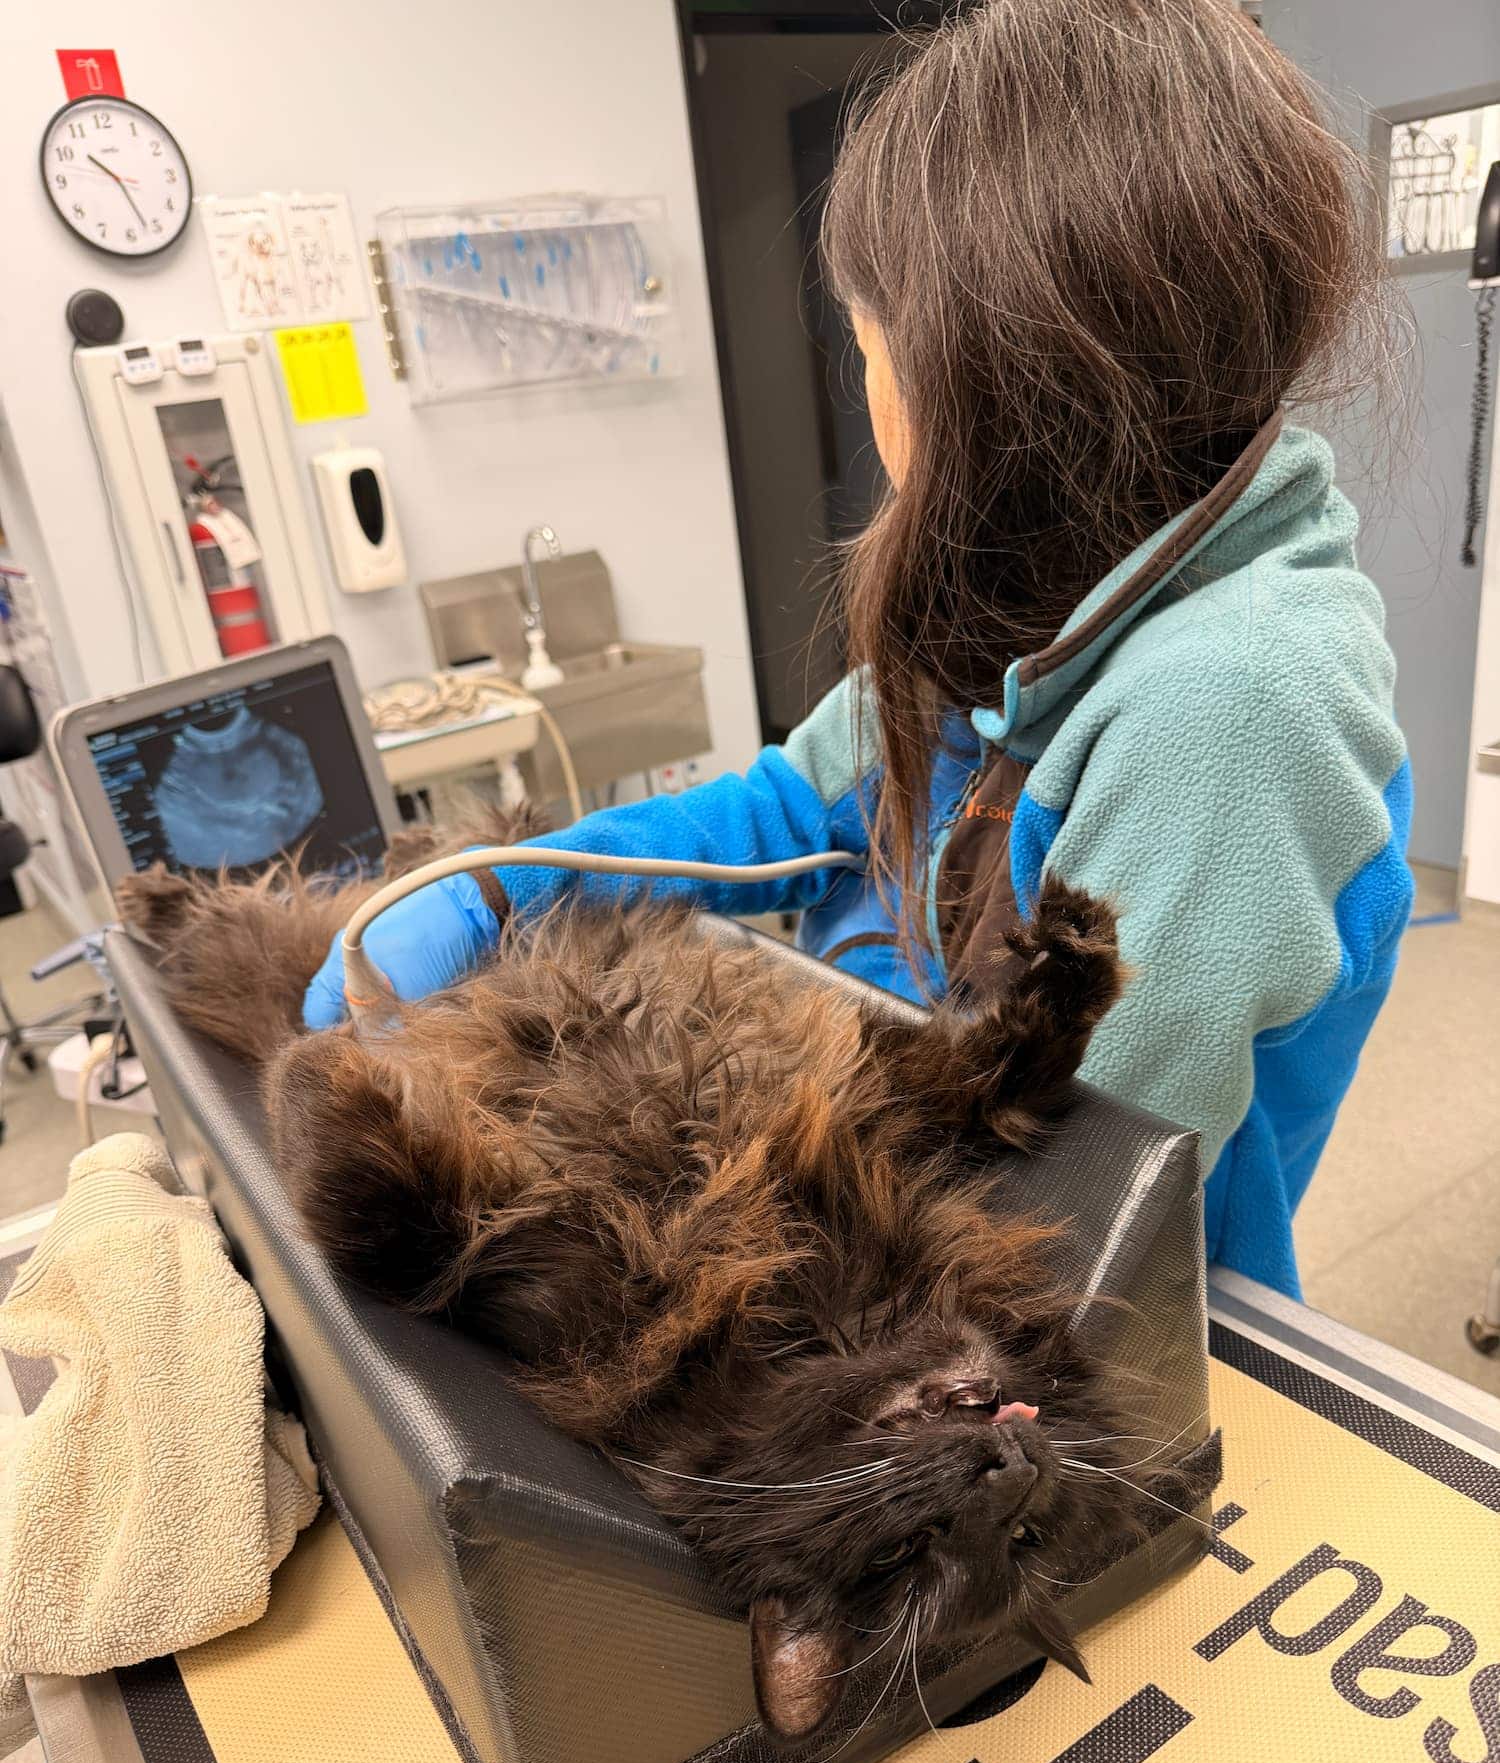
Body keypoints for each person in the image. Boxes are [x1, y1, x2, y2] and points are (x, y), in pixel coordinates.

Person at [305, 0, 1411, 1299]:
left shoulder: (1225, 707)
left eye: (871, 345)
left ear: (975, 370)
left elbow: (1064, 1216)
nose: (871, 390)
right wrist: (502, 888)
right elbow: (790, 805)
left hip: (1109, 1335)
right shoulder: (1024, 579)